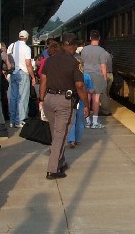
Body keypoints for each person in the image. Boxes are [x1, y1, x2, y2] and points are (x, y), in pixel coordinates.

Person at [39, 33, 89, 180]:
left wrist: (41, 100)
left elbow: (43, 82)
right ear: (73, 46)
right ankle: (52, 170)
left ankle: (60, 162)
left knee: (56, 134)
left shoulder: (49, 61)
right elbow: (79, 86)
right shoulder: (75, 63)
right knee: (61, 135)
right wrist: (86, 104)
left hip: (48, 99)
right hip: (64, 102)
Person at [7, 30, 36, 128]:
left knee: (13, 97)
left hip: (13, 73)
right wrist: (33, 77)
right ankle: (20, 120)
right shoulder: (26, 48)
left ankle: (12, 120)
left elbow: (7, 59)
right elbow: (28, 64)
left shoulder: (12, 46)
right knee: (22, 97)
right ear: (27, 38)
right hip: (23, 73)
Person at [81, 30, 107, 129]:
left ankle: (87, 120)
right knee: (96, 98)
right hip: (97, 76)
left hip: (86, 74)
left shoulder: (84, 50)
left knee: (87, 97)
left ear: (90, 38)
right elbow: (103, 66)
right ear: (99, 38)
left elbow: (81, 63)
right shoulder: (101, 51)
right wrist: (104, 78)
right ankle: (95, 122)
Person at [67, 56, 93, 148]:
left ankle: (71, 140)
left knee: (71, 121)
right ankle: (78, 139)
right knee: (80, 121)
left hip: (72, 100)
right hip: (82, 101)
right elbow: (90, 90)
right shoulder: (87, 76)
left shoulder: (69, 76)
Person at [99, 49, 113, 116]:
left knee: (103, 94)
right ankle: (108, 109)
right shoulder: (108, 55)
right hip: (110, 75)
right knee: (107, 94)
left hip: (104, 75)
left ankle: (105, 111)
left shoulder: (101, 56)